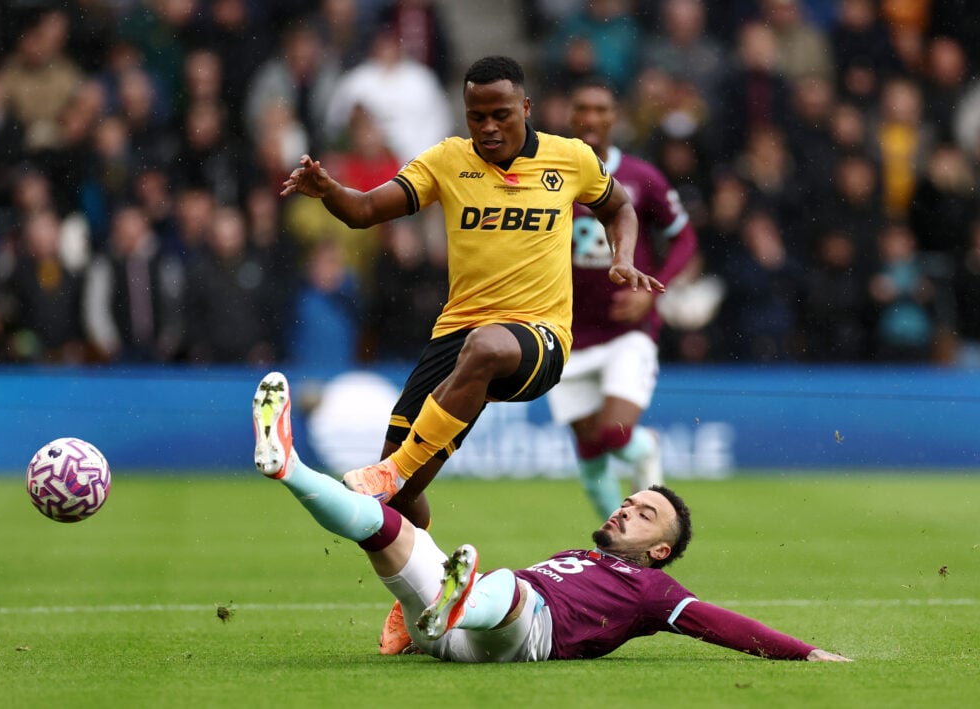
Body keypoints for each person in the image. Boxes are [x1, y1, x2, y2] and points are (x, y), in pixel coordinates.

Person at [280, 55, 659, 655]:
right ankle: (418, 594)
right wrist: (329, 190)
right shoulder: (447, 161)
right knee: (399, 502)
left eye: (500, 114)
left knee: (421, 436)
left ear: (525, 108)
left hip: (539, 338)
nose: (487, 127)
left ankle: (394, 470)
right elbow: (366, 210)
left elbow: (619, 207)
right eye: (476, 116)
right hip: (456, 335)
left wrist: (623, 257)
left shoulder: (570, 159)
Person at [251, 371, 852, 664]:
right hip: (453, 633)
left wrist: (805, 653)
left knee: (515, 589)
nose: (624, 509)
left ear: (660, 551)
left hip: (520, 634)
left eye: (644, 514)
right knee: (385, 529)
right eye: (628, 502)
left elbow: (718, 623)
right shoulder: (584, 557)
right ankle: (289, 467)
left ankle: (458, 601)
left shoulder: (652, 590)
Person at [547, 77, 697, 520]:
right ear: (570, 115)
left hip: (628, 330)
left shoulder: (640, 176)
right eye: (583, 108)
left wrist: (653, 292)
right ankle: (622, 548)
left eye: (601, 109)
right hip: (566, 334)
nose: (591, 118)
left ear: (615, 117)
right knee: (590, 451)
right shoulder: (548, 176)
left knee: (614, 434)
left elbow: (684, 238)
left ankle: (647, 451)